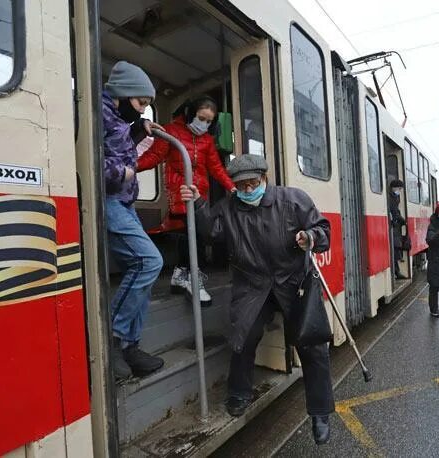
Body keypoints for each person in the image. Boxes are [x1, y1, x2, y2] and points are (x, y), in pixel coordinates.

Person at [179, 155, 335, 445]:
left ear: (265, 178)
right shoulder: (229, 207)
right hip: (253, 285)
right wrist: (199, 203)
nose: (248, 190)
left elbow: (323, 230)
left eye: (253, 183)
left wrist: (310, 237)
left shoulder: (293, 200)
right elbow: (211, 232)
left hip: (293, 282)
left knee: (313, 344)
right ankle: (238, 393)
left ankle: (320, 411)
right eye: (241, 186)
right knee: (243, 337)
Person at [137, 96, 235, 306]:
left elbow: (216, 168)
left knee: (195, 231)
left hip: (200, 195)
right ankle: (192, 278)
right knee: (193, 233)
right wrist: (129, 167)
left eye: (209, 122)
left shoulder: (207, 140)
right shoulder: (170, 132)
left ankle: (180, 275)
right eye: (202, 118)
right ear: (190, 114)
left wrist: (232, 187)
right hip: (180, 191)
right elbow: (154, 156)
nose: (205, 125)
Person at [103, 61, 166, 380]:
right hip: (110, 200)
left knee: (140, 267)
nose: (142, 110)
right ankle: (112, 341)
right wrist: (122, 173)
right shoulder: (94, 112)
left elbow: (116, 143)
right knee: (148, 262)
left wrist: (138, 130)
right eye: (141, 104)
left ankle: (129, 346)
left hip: (124, 203)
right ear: (124, 94)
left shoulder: (115, 117)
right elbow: (82, 156)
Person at [388, 179, 409, 279]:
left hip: (395, 225)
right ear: (394, 187)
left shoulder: (395, 197)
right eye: (399, 188)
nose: (400, 190)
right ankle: (396, 272)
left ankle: (397, 271)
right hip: (392, 224)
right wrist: (401, 219)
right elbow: (393, 211)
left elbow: (396, 210)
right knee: (395, 247)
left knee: (396, 247)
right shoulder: (390, 197)